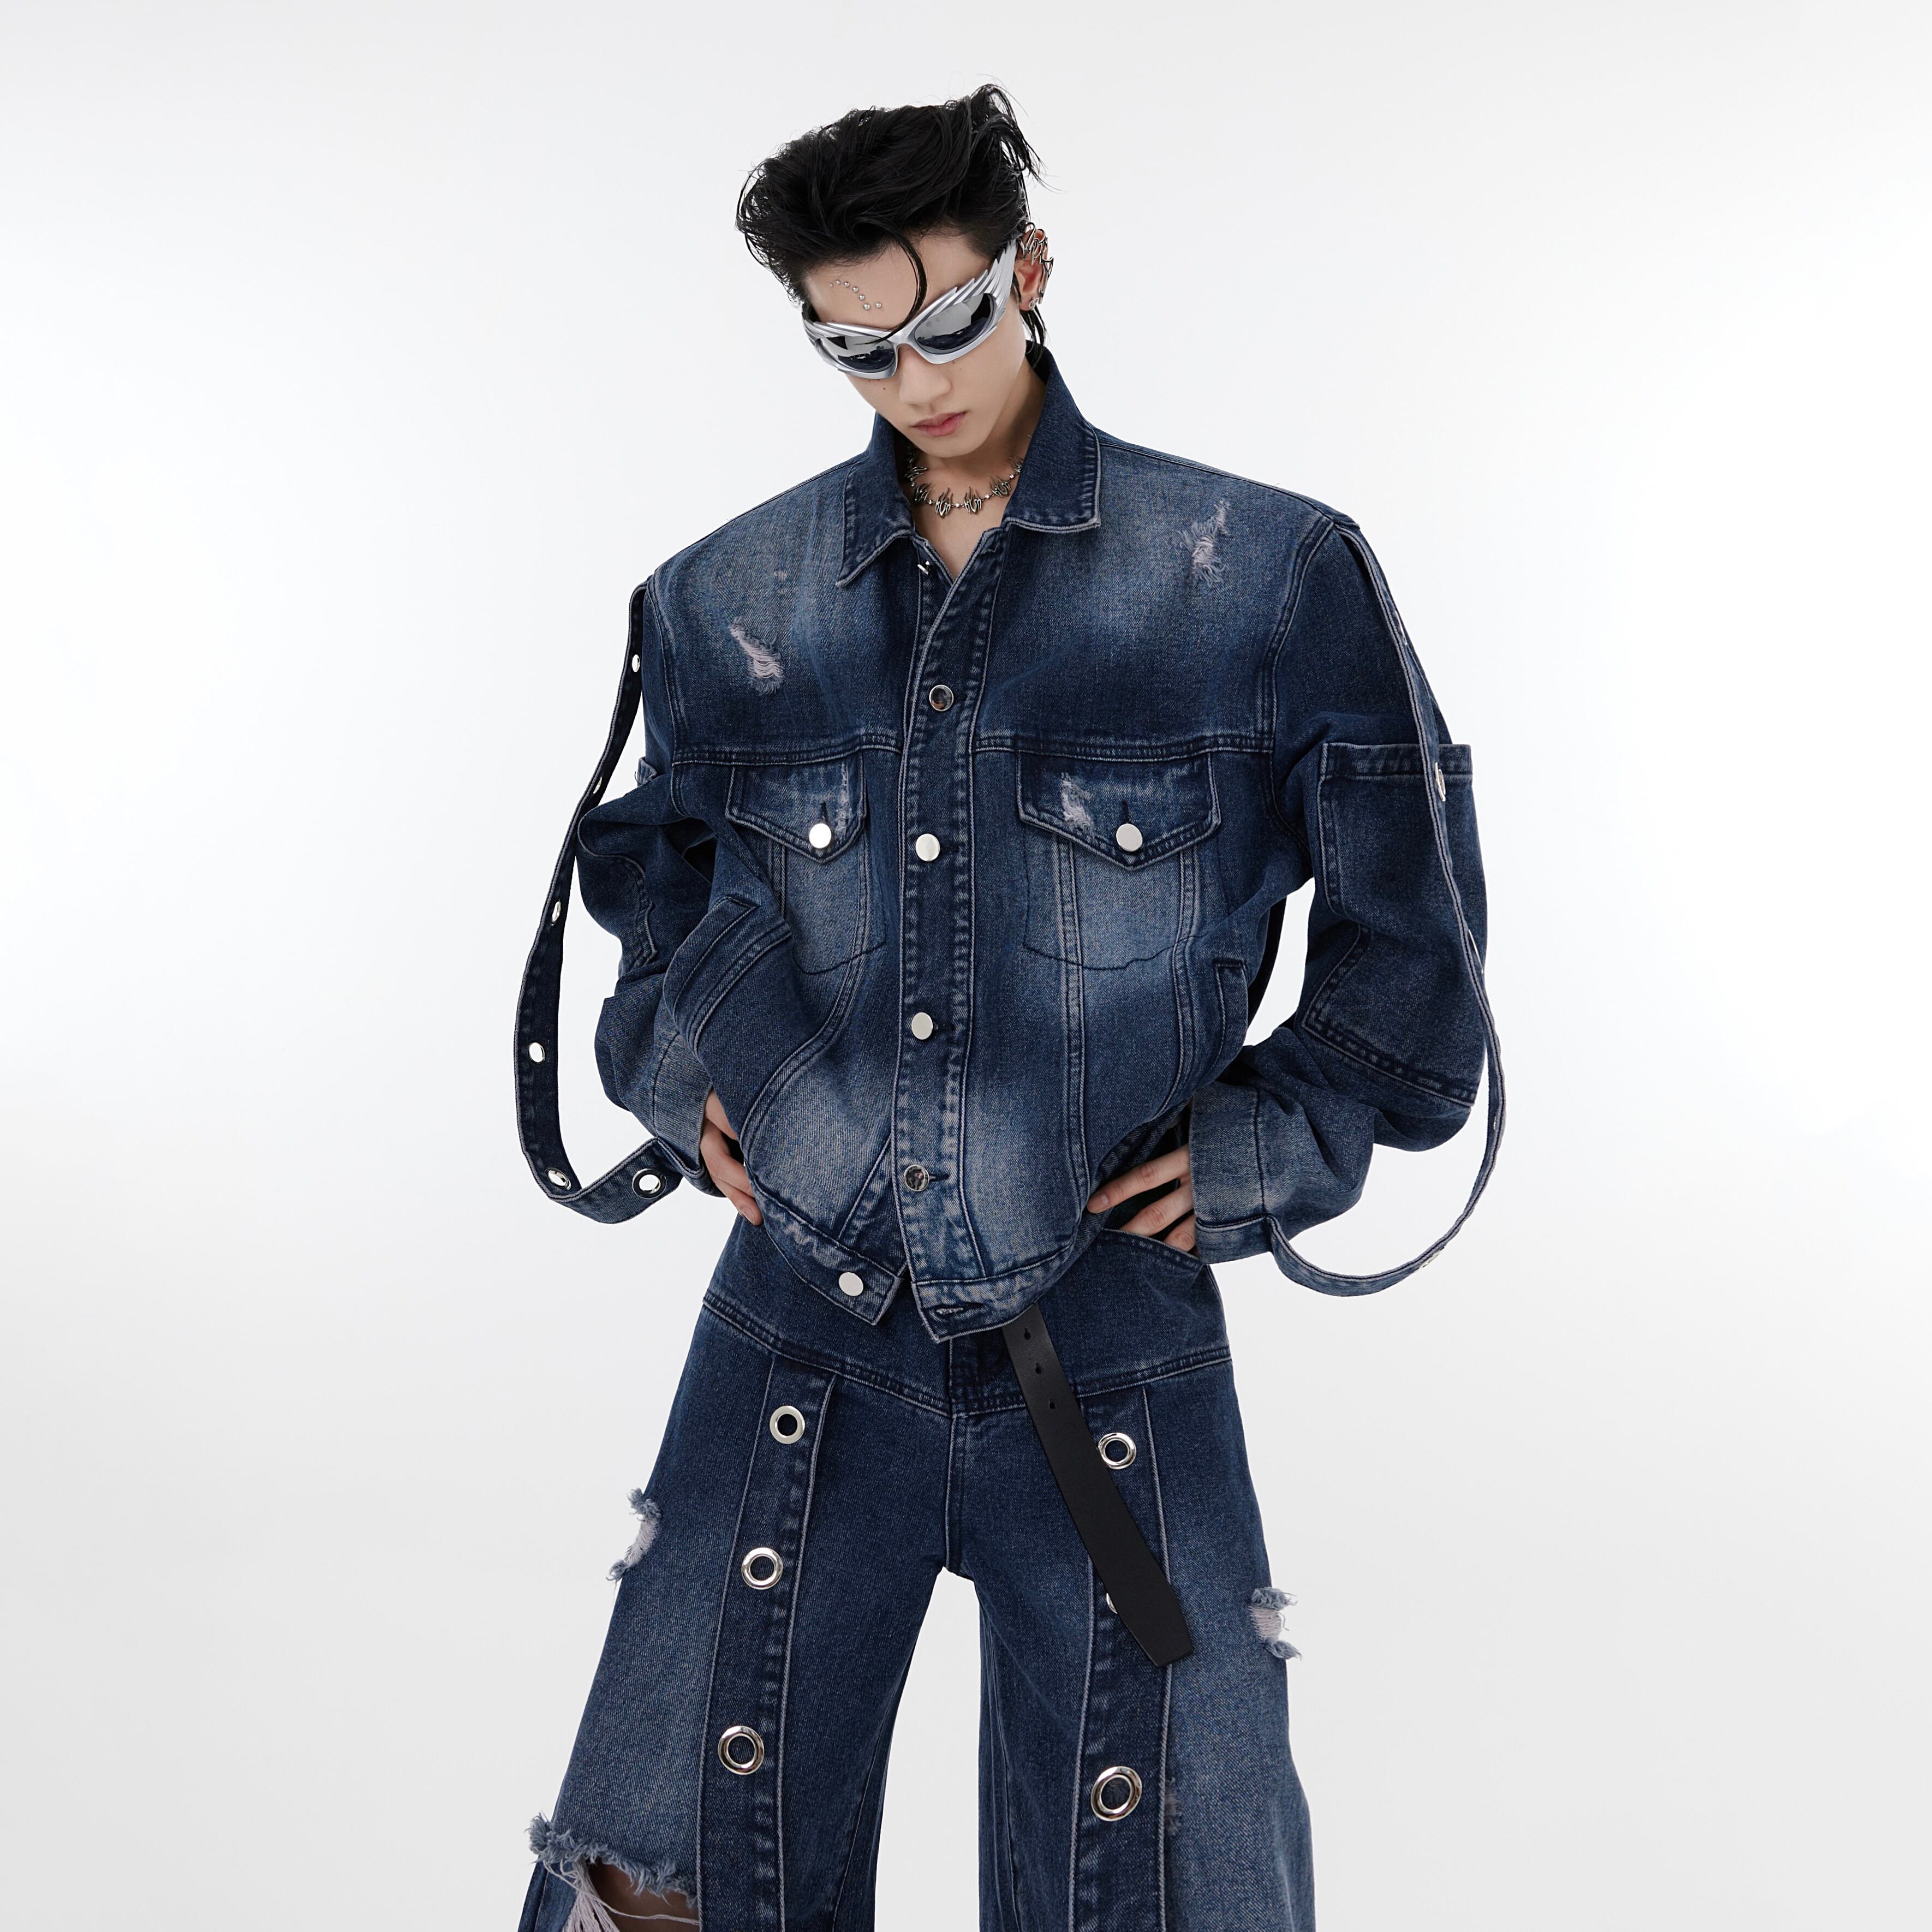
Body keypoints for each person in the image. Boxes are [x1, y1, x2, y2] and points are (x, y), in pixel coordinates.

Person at [510, 84, 1500, 1932]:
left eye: (947, 320)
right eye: (853, 347)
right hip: (797, 1329)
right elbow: (649, 890)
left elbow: (1413, 942)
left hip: (1110, 1327)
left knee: (1176, 1878)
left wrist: (1279, 1138)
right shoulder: (723, 601)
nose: (914, 380)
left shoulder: (1265, 580)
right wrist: (678, 1074)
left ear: (1028, 269)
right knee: (656, 1885)